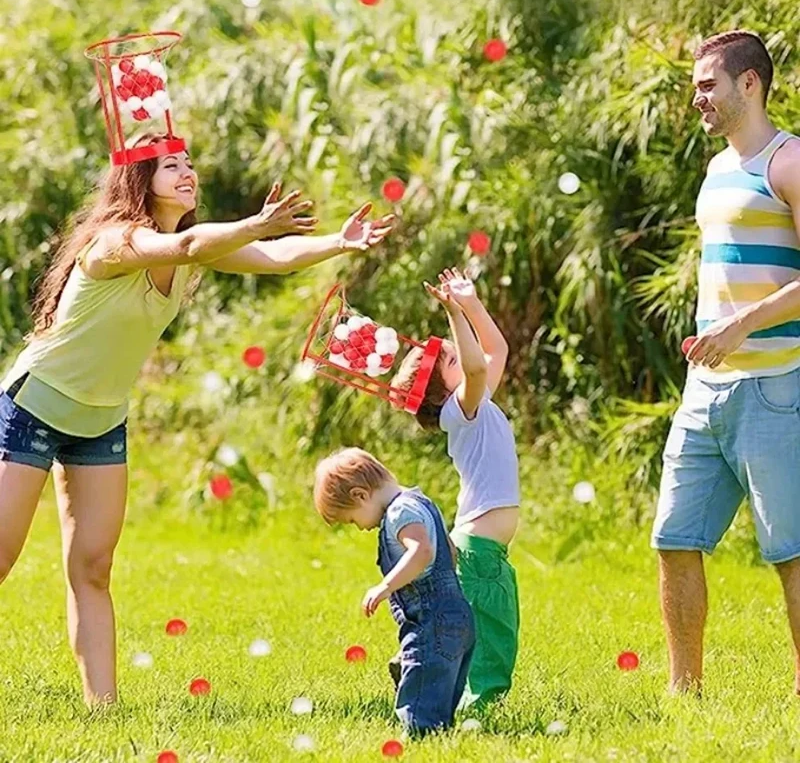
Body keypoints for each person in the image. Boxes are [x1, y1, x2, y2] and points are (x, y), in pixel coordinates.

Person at [0, 133, 394, 705]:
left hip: (101, 418)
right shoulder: (112, 244)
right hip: (35, 405)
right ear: (139, 180)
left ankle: (102, 708)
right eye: (170, 166)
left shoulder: (190, 247)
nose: (187, 173)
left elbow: (274, 260)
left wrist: (340, 240)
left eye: (190, 164)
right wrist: (255, 223)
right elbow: (187, 248)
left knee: (93, 566)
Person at [653, 30, 800, 693]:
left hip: (777, 387)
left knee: (791, 553)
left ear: (751, 83)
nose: (698, 98)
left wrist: (742, 324)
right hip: (705, 389)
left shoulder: (788, 162)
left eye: (708, 84)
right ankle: (686, 692)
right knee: (674, 538)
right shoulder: (715, 171)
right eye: (695, 86)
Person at [390, 267, 520, 709]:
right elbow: (476, 363)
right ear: (441, 393)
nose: (461, 360)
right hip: (481, 548)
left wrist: (469, 301)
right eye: (449, 361)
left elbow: (495, 349)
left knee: (478, 628)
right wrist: (453, 314)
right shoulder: (460, 412)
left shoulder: (475, 404)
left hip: (482, 547)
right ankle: (477, 708)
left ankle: (424, 663)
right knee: (493, 634)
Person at [313, 447, 475, 736]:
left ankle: (419, 741)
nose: (359, 528)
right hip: (456, 616)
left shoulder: (400, 512)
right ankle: (438, 734)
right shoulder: (422, 502)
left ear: (360, 495)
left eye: (351, 520)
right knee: (438, 696)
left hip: (432, 621)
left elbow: (422, 550)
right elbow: (448, 551)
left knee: (420, 711)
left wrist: (386, 586)